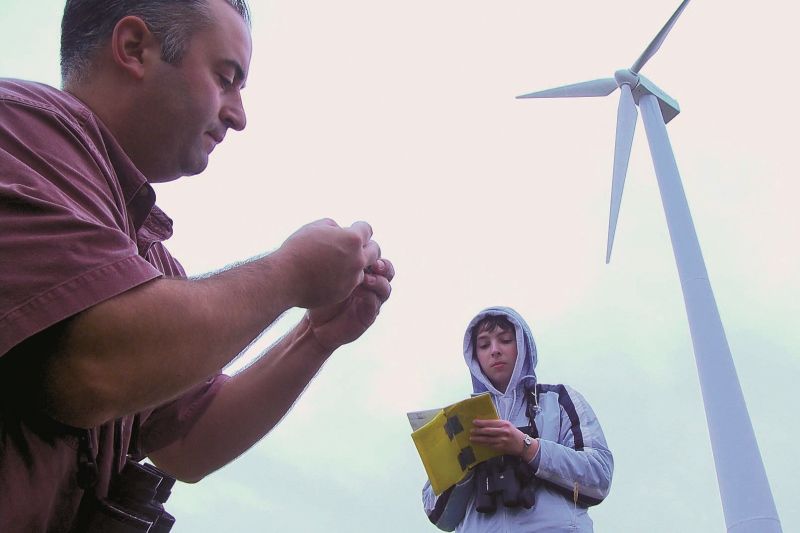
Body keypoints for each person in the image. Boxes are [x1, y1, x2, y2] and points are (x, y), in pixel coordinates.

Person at [0, 0, 394, 530]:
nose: (239, 114)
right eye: (226, 78)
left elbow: (188, 443)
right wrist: (291, 273)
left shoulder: (147, 257)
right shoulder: (15, 128)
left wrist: (316, 336)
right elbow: (94, 367)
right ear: (135, 49)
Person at [422, 307, 612, 532]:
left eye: (505, 340)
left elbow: (598, 477)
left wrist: (526, 448)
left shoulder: (559, 401)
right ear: (474, 357)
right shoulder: (459, 421)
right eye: (484, 345)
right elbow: (437, 513)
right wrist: (466, 465)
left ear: (522, 345)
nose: (495, 350)